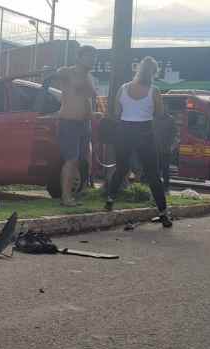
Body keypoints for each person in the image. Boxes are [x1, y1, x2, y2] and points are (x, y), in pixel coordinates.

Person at [104, 56, 173, 228]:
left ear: (138, 70)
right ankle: (163, 213)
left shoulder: (123, 88)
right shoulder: (154, 91)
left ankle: (110, 200)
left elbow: (116, 112)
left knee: (121, 168)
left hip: (124, 131)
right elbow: (159, 113)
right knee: (152, 174)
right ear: (154, 73)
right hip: (145, 131)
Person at [47, 46, 100, 207]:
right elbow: (51, 74)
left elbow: (87, 100)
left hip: (84, 124)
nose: (92, 60)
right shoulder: (68, 71)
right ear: (79, 57)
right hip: (68, 122)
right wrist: (51, 71)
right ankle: (66, 197)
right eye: (89, 56)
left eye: (94, 57)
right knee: (71, 160)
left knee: (80, 161)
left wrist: (92, 115)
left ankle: (77, 192)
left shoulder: (89, 77)